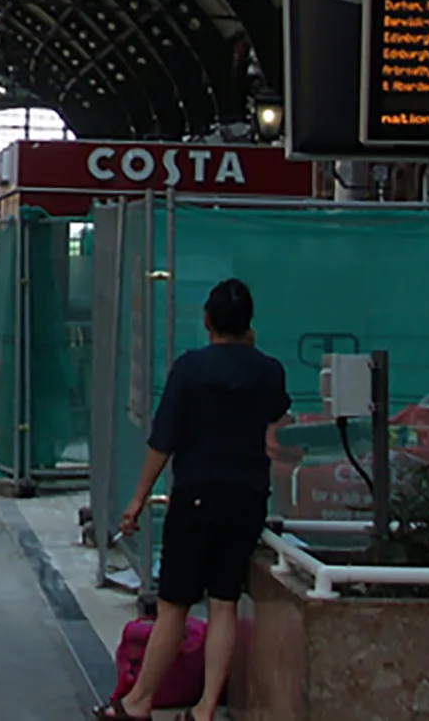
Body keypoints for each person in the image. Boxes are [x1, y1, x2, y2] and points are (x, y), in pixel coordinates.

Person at [104, 278, 290, 721]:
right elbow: (277, 417)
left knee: (174, 604)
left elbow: (163, 441)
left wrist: (137, 499)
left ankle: (138, 703)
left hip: (197, 497)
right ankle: (205, 708)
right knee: (224, 600)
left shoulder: (189, 369)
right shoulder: (269, 370)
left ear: (206, 321)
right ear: (249, 324)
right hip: (247, 497)